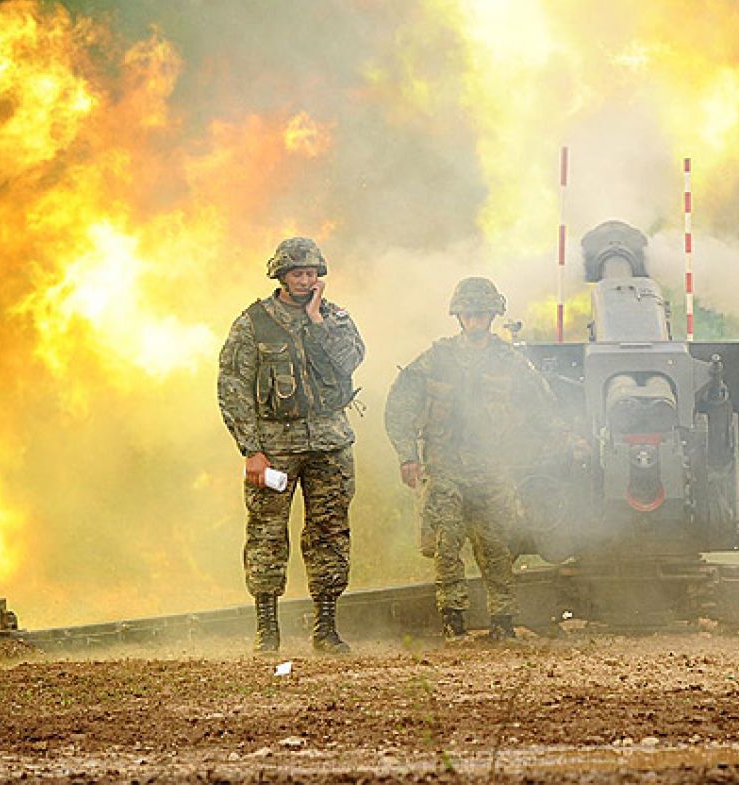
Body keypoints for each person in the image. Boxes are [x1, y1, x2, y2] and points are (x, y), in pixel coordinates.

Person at [384, 277, 567, 641]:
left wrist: (556, 447)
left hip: (492, 467)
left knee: (498, 546)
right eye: (470, 314)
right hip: (444, 467)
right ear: (459, 317)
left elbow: (542, 409)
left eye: (483, 313)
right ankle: (454, 624)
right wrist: (407, 455)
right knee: (446, 545)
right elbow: (401, 403)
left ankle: (503, 623)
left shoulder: (510, 362)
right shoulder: (437, 359)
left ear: (493, 316)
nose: (476, 320)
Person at [218, 237, 365, 655]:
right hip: (275, 448)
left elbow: (351, 360)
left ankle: (326, 627)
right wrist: (251, 449)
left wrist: (318, 321)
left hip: (329, 445)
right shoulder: (254, 323)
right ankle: (267, 630)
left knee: (330, 533)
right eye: (299, 273)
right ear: (281, 276)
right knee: (266, 533)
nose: (306, 280)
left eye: (313, 273)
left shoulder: (335, 318)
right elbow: (233, 388)